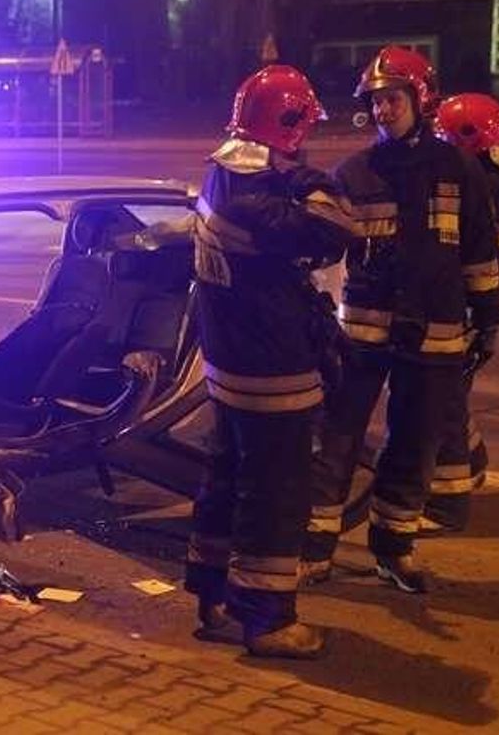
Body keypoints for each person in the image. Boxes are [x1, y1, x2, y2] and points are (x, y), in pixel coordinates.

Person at [301, 47, 499, 592]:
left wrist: (487, 319)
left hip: (436, 333)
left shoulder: (458, 171)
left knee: (413, 446)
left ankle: (394, 549)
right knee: (336, 440)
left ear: (421, 99)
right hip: (363, 333)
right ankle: (313, 549)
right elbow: (324, 253)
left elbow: (479, 254)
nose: (384, 110)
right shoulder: (355, 173)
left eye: (393, 99)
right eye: (377, 101)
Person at [184, 64, 359, 659]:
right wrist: (309, 179)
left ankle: (213, 594)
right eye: (302, 128)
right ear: (287, 125)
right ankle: (269, 619)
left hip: (231, 367)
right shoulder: (260, 197)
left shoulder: (221, 177)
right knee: (277, 492)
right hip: (272, 369)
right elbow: (332, 231)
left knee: (227, 477)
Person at [422, 93, 499, 532]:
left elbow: (464, 252)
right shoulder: (498, 176)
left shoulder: (477, 182)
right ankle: (474, 459)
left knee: (444, 403)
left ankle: (447, 502)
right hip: (477, 302)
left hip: (459, 305)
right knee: (454, 394)